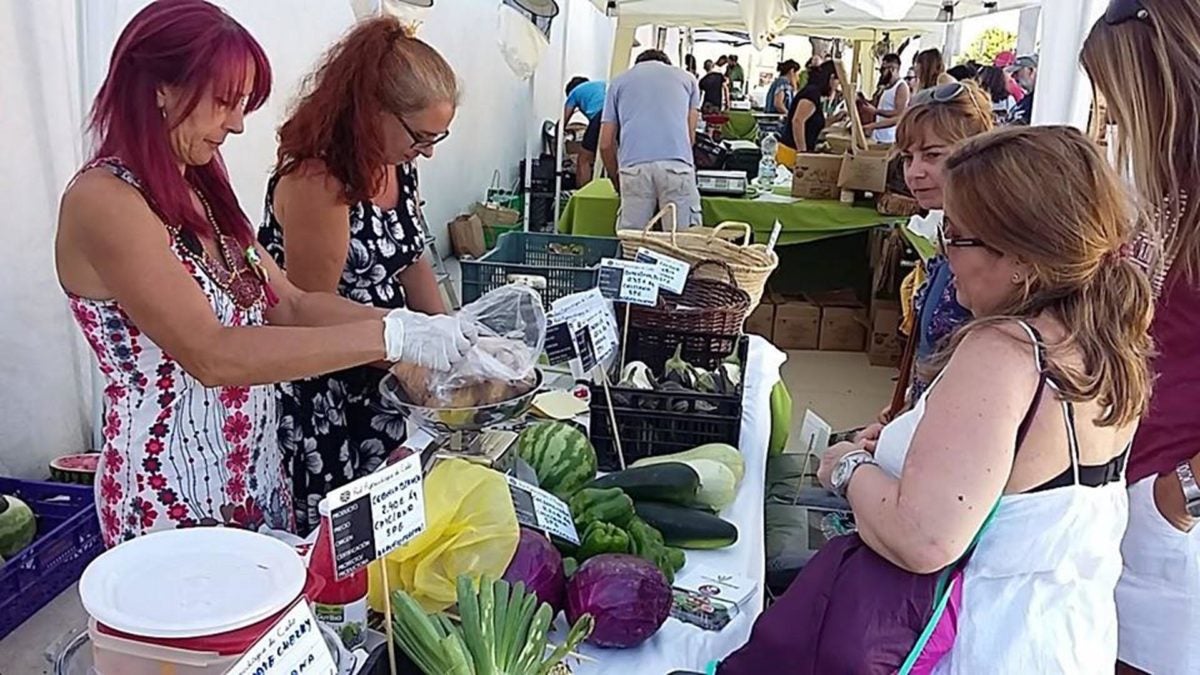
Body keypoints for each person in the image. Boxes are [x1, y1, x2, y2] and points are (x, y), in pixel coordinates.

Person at [57, 1, 471, 545]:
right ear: (161, 86)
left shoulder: (201, 183)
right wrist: (388, 336)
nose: (236, 123)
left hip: (255, 473)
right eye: (225, 102)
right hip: (170, 492)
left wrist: (427, 330)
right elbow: (211, 354)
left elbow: (293, 305)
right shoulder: (106, 201)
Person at [814, 126, 1152, 671]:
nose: (947, 254)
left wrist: (847, 466)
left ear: (1020, 255)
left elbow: (925, 539)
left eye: (956, 235)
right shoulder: (1103, 339)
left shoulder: (1003, 351)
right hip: (1064, 640)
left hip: (978, 645)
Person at [258, 17, 460, 535]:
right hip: (332, 388)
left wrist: (454, 338)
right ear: (373, 112)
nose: (429, 150)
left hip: (388, 366)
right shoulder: (319, 182)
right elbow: (309, 313)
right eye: (421, 136)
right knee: (347, 543)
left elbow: (412, 258)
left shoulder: (397, 163)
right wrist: (411, 353)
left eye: (439, 137)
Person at [1082, 2, 1200, 672]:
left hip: (1170, 506)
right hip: (1129, 478)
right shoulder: (1166, 184)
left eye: (1118, 95)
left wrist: (1180, 494)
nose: (1113, 116)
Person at [881, 81, 993, 418]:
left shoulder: (993, 250)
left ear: (976, 153)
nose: (915, 172)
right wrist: (907, 407)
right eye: (908, 158)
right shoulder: (950, 231)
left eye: (932, 155)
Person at [599, 50, 702, 230]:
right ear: (667, 63)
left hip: (634, 168)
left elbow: (605, 144)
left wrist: (616, 179)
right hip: (676, 166)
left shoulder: (618, 82)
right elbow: (689, 137)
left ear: (637, 64)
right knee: (681, 241)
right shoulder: (688, 80)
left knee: (633, 240)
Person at [777, 60, 837, 168]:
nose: (837, 88)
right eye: (838, 82)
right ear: (831, 78)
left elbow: (815, 123)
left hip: (794, 152)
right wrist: (803, 154)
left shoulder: (814, 93)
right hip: (791, 154)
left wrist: (836, 118)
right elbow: (798, 121)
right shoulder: (812, 93)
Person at [563, 75, 607, 185]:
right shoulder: (602, 84)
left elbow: (563, 121)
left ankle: (582, 193)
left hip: (600, 117)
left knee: (584, 159)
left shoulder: (574, 93)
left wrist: (557, 135)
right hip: (618, 116)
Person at [862, 53, 910, 144]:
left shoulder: (901, 87)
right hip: (877, 136)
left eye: (883, 70)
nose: (881, 73)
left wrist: (876, 111)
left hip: (889, 138)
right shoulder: (886, 86)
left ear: (892, 69)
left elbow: (899, 113)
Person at [1007, 55, 1038, 125]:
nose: (1013, 76)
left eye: (1017, 72)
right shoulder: (1027, 100)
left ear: (1031, 71)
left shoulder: (1040, 102)